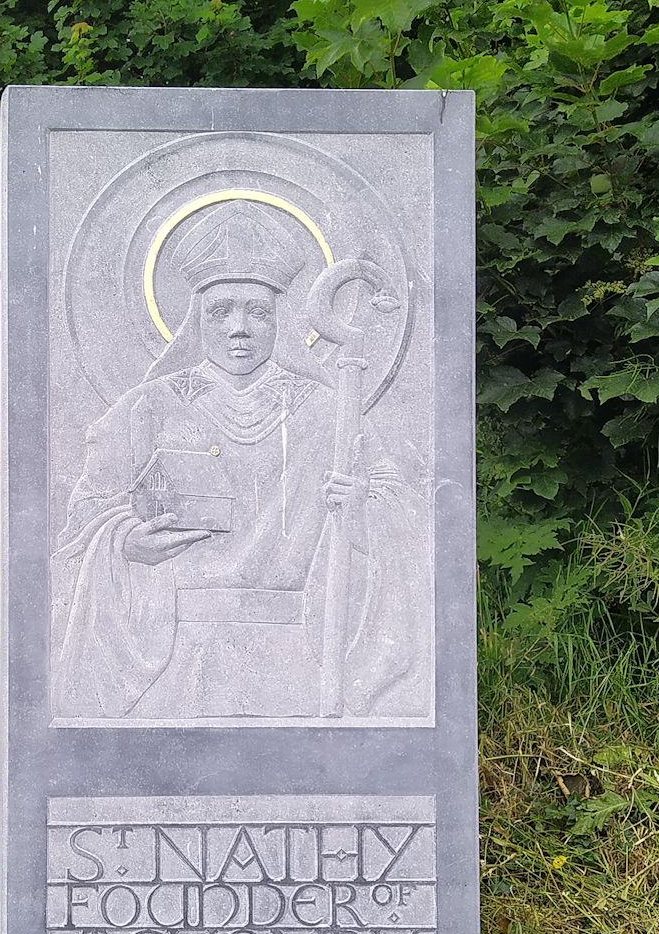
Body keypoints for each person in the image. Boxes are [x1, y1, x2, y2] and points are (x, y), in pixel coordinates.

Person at [52, 200, 428, 719]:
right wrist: (124, 540)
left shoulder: (329, 411)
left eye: (257, 311)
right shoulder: (148, 406)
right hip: (172, 659)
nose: (239, 328)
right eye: (221, 310)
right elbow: (82, 519)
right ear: (195, 320)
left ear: (281, 320)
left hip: (300, 656)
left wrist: (362, 502)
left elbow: (402, 505)